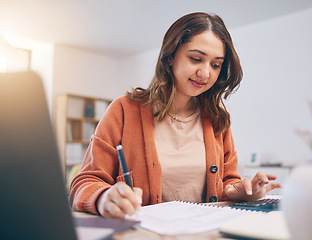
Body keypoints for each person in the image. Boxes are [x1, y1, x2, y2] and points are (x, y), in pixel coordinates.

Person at [69, 12, 281, 219]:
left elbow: (227, 184)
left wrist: (241, 192)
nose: (206, 73)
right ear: (170, 57)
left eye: (215, 65)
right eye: (196, 58)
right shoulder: (123, 111)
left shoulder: (217, 120)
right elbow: (84, 183)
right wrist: (103, 198)